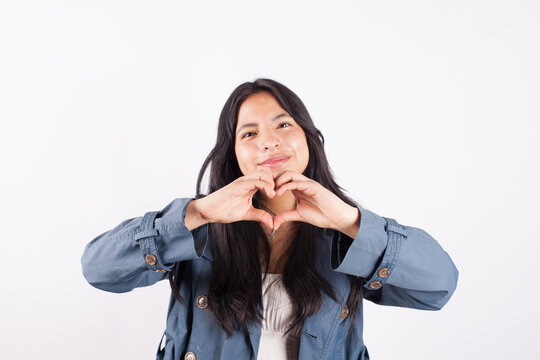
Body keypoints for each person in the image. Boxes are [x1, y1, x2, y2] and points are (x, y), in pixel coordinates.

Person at [81, 78, 459, 360]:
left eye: (283, 125)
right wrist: (197, 213)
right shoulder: (197, 228)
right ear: (234, 153)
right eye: (249, 133)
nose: (268, 141)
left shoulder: (348, 233)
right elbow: (98, 269)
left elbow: (439, 286)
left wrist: (350, 222)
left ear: (308, 138)